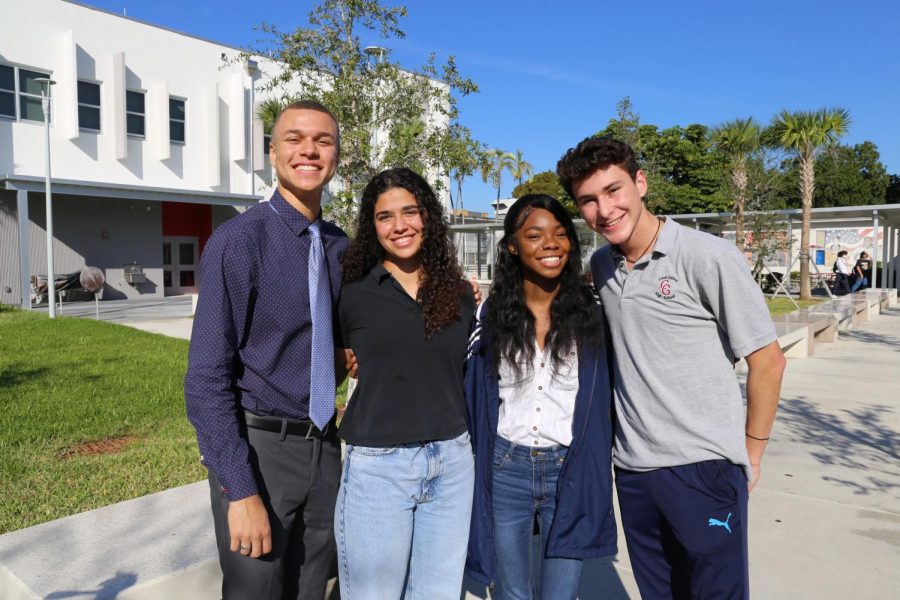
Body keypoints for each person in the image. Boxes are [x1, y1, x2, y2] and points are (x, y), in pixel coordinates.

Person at [557, 137, 786, 600]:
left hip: (703, 467)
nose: (605, 209)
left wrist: (752, 453)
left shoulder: (708, 257)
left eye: (614, 190)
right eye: (589, 200)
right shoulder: (601, 264)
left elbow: (768, 361)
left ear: (640, 183)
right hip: (635, 471)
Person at [185, 99, 347, 600]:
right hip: (261, 450)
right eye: (295, 139)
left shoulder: (341, 246)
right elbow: (207, 377)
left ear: (337, 156)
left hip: (325, 447)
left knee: (311, 589)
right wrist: (241, 488)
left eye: (323, 141)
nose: (309, 151)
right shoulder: (239, 241)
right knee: (256, 590)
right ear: (272, 151)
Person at [464, 194, 617, 600]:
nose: (551, 243)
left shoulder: (595, 312)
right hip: (505, 465)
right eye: (535, 235)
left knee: (560, 595)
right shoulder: (491, 314)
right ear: (513, 245)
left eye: (560, 234)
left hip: (570, 468)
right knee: (512, 593)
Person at [334, 167, 475, 600]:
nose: (400, 226)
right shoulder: (351, 290)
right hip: (379, 467)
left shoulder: (460, 291)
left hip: (452, 463)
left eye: (410, 212)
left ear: (427, 216)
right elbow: (333, 363)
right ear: (371, 226)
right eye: (385, 217)